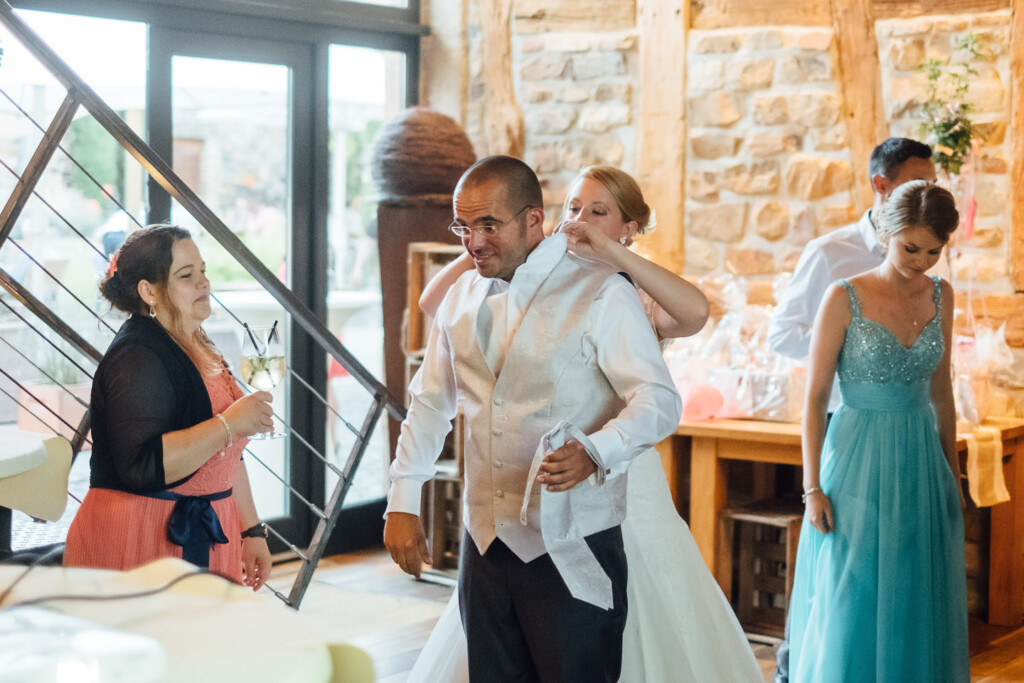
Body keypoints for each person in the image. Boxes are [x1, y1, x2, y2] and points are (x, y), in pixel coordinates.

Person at [407, 165, 763, 683]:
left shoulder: (615, 289)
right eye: (574, 208)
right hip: (491, 532)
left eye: (598, 212)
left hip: (601, 498)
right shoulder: (478, 288)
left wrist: (597, 451)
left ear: (627, 226)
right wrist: (485, 240)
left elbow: (680, 346)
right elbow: (433, 346)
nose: (580, 221)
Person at [767, 137, 937, 683]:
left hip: (905, 430)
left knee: (901, 569)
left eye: (933, 184)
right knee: (840, 573)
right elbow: (782, 334)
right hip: (843, 422)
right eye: (918, 183)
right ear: (883, 186)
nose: (928, 192)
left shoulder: (930, 269)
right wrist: (849, 356)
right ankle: (800, 669)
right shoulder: (830, 254)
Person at [788, 180, 968, 681]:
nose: (921, 261)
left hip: (921, 460)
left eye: (933, 251)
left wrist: (952, 475)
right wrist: (812, 488)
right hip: (856, 459)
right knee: (852, 588)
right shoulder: (844, 296)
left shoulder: (942, 295)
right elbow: (815, 399)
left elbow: (942, 392)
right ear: (888, 232)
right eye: (911, 248)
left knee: (914, 585)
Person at [65, 225, 275, 590]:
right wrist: (229, 423)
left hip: (204, 528)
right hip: (142, 535)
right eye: (186, 275)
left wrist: (251, 530)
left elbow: (225, 453)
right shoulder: (137, 356)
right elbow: (143, 466)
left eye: (203, 271)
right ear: (149, 291)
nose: (203, 282)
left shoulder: (197, 343)